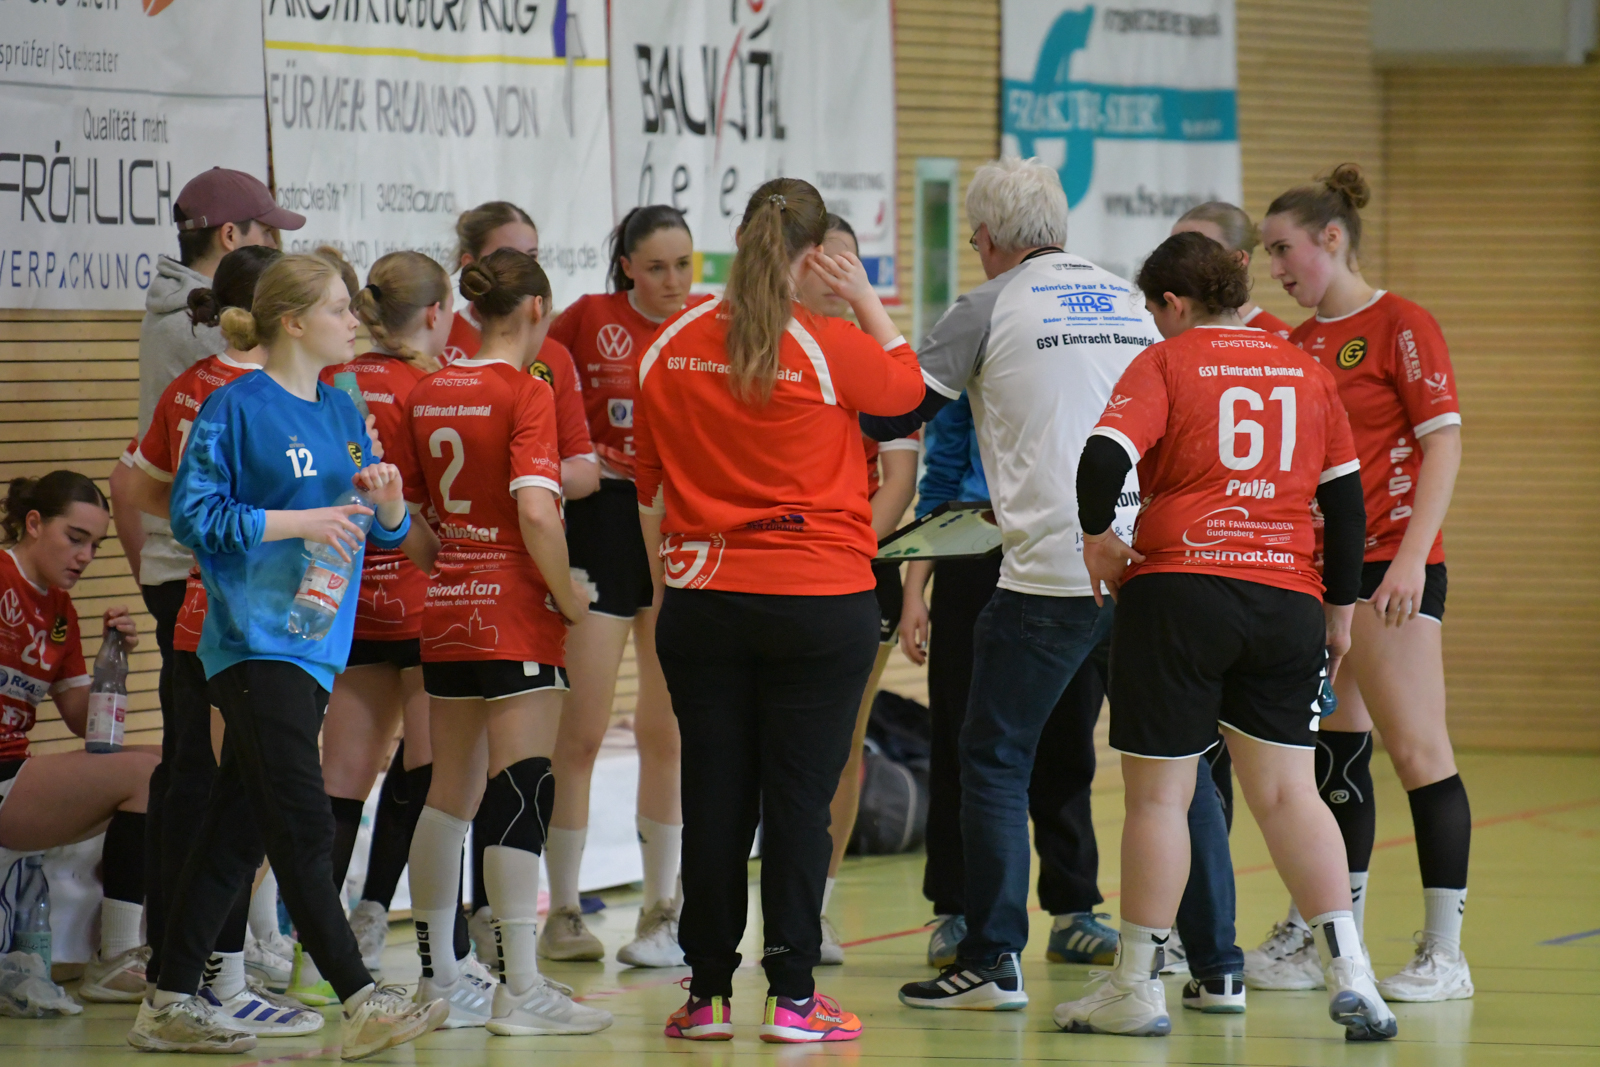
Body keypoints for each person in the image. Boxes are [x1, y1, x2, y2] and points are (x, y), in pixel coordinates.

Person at [1056, 230, 1396, 1041]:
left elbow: (1101, 459)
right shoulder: (1307, 370)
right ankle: (1353, 972)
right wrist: (1337, 614)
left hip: (1180, 592)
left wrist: (1098, 539)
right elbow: (1347, 507)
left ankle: (1136, 987)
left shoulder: (1167, 363)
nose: (1154, 323)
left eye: (1153, 309)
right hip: (1285, 600)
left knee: (1161, 796)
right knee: (1289, 793)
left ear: (1174, 302)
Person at [635, 177, 921, 1043]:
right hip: (819, 601)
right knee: (799, 801)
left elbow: (650, 488)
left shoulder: (669, 346)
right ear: (817, 256)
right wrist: (866, 299)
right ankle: (794, 997)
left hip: (704, 602)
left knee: (713, 798)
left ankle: (708, 996)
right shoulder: (830, 344)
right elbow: (908, 394)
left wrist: (674, 584)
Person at [139, 253, 446, 1058]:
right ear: (294, 321)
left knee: (234, 832)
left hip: (317, 642)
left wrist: (387, 504)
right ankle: (360, 997)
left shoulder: (342, 407)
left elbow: (373, 525)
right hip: (253, 639)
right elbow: (193, 518)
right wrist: (295, 523)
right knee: (303, 821)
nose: (354, 321)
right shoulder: (234, 407)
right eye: (340, 308)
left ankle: (166, 1001)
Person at [871, 158, 1148, 1011]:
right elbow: (948, 464)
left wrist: (861, 312)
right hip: (1126, 561)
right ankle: (1205, 959)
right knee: (1162, 761)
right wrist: (919, 583)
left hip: (1041, 563)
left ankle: (1004, 947)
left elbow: (893, 407)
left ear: (988, 238)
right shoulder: (1130, 303)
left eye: (975, 240)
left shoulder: (990, 306)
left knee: (1002, 753)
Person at [1250, 164, 1471, 1003]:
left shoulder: (1401, 324)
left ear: (1332, 239)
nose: (1276, 268)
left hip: (1391, 567)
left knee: (1419, 751)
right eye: (1267, 253)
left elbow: (1443, 442)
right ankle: (1328, 939)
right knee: (1335, 753)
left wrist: (1412, 558)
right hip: (1325, 574)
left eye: (1284, 249)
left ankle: (1445, 953)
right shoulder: (1300, 343)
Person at [398, 248, 613, 1038]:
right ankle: (519, 988)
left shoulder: (426, 391)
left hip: (447, 608)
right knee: (522, 787)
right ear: (535, 309)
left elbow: (408, 521)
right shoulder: (527, 390)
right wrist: (567, 596)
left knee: (448, 793)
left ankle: (440, 977)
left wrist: (452, 569)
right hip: (515, 610)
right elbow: (537, 510)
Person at [122, 245, 323, 1034]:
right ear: (283, 314)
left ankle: (185, 976)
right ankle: (216, 979)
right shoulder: (258, 396)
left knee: (203, 787)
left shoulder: (195, 385)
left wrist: (178, 552)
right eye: (332, 304)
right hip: (241, 616)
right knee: (235, 793)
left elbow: (135, 482)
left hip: (195, 599)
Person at [900, 392, 1124, 973]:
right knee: (963, 742)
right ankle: (957, 910)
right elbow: (941, 476)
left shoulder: (1092, 359)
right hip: (975, 552)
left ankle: (1073, 910)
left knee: (1069, 741)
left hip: (1065, 551)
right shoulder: (977, 358)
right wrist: (914, 589)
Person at [541, 205, 704, 966]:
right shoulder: (586, 320)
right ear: (628, 267)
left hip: (678, 525)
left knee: (666, 730)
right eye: (657, 267)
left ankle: (662, 909)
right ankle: (563, 911)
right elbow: (535, 393)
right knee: (580, 729)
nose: (674, 281)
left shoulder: (709, 324)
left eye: (685, 264)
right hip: (603, 525)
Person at [316, 253, 456, 981]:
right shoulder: (432, 388)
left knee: (342, 777)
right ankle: (422, 943)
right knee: (435, 774)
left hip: (348, 597)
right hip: (423, 593)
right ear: (435, 313)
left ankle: (318, 952)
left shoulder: (332, 379)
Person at [792, 213, 920, 966]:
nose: (838, 277)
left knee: (841, 744)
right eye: (824, 263)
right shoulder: (770, 348)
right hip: (777, 566)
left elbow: (899, 479)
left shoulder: (877, 353)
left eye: (851, 264)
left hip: (858, 564)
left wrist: (847, 553)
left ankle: (818, 907)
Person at [0, 473, 155, 1002]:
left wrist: (114, 663)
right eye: (75, 538)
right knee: (149, 774)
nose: (85, 556)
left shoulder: (60, 612)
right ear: (34, 523)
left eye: (95, 545)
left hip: (14, 771)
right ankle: (115, 956)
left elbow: (85, 724)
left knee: (174, 762)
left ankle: (188, 943)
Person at [1173, 202, 1293, 338]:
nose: (1175, 264)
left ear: (1236, 260)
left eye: (1193, 252)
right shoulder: (1168, 332)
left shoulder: (1283, 339)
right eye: (1172, 252)